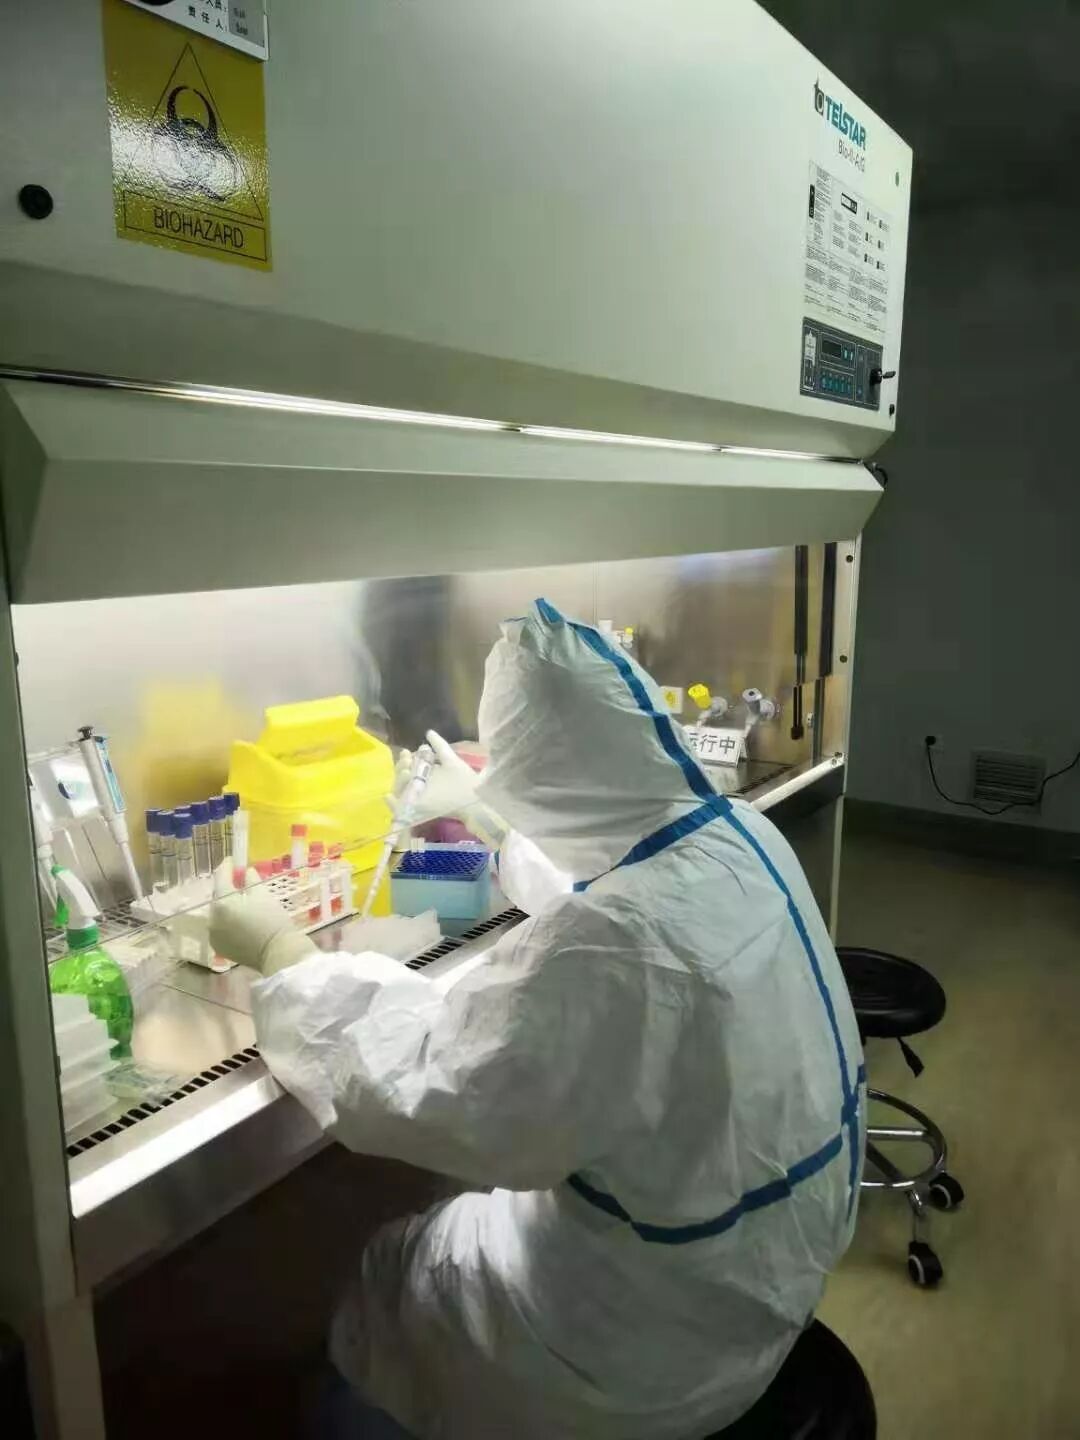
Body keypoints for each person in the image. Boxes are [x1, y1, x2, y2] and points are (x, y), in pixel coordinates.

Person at [210, 599, 865, 1440]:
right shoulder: (741, 840)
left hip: (636, 1356)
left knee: (384, 1265)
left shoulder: (611, 949)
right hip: (760, 1289)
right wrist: (496, 827)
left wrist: (286, 957)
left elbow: (431, 1090)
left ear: (540, 771)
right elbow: (631, 894)